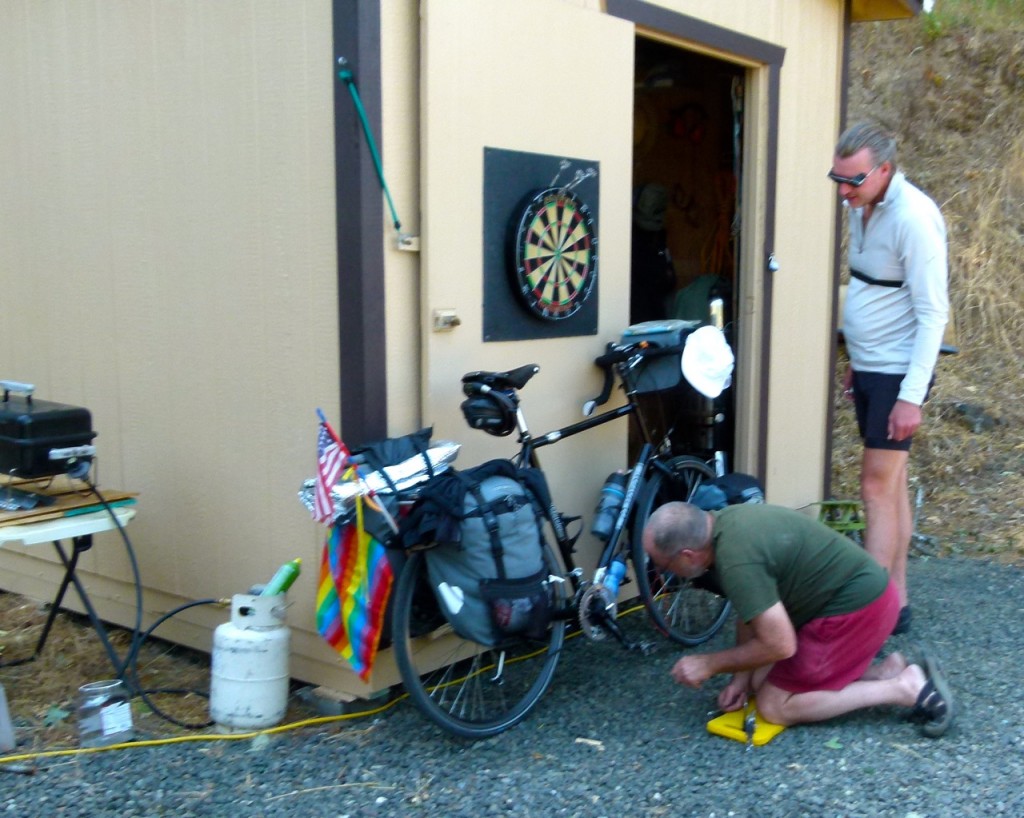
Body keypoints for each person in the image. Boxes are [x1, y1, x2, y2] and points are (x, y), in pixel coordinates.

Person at [642, 501, 954, 737]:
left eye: (664, 565)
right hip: (860, 601)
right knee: (758, 681)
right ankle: (885, 671)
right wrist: (739, 678)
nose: (663, 574)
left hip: (857, 612)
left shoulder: (737, 561)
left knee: (774, 706)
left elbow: (779, 645)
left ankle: (903, 688)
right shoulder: (726, 524)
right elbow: (750, 613)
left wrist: (709, 664)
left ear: (687, 555)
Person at [830, 122, 949, 635]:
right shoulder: (862, 204)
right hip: (872, 365)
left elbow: (932, 313)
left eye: (853, 180)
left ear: (885, 170)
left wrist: (911, 396)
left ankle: (868, 616)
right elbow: (875, 287)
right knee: (891, 486)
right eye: (836, 178)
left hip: (899, 373)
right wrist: (857, 355)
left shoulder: (916, 219)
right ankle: (895, 601)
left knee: (874, 488)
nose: (843, 190)